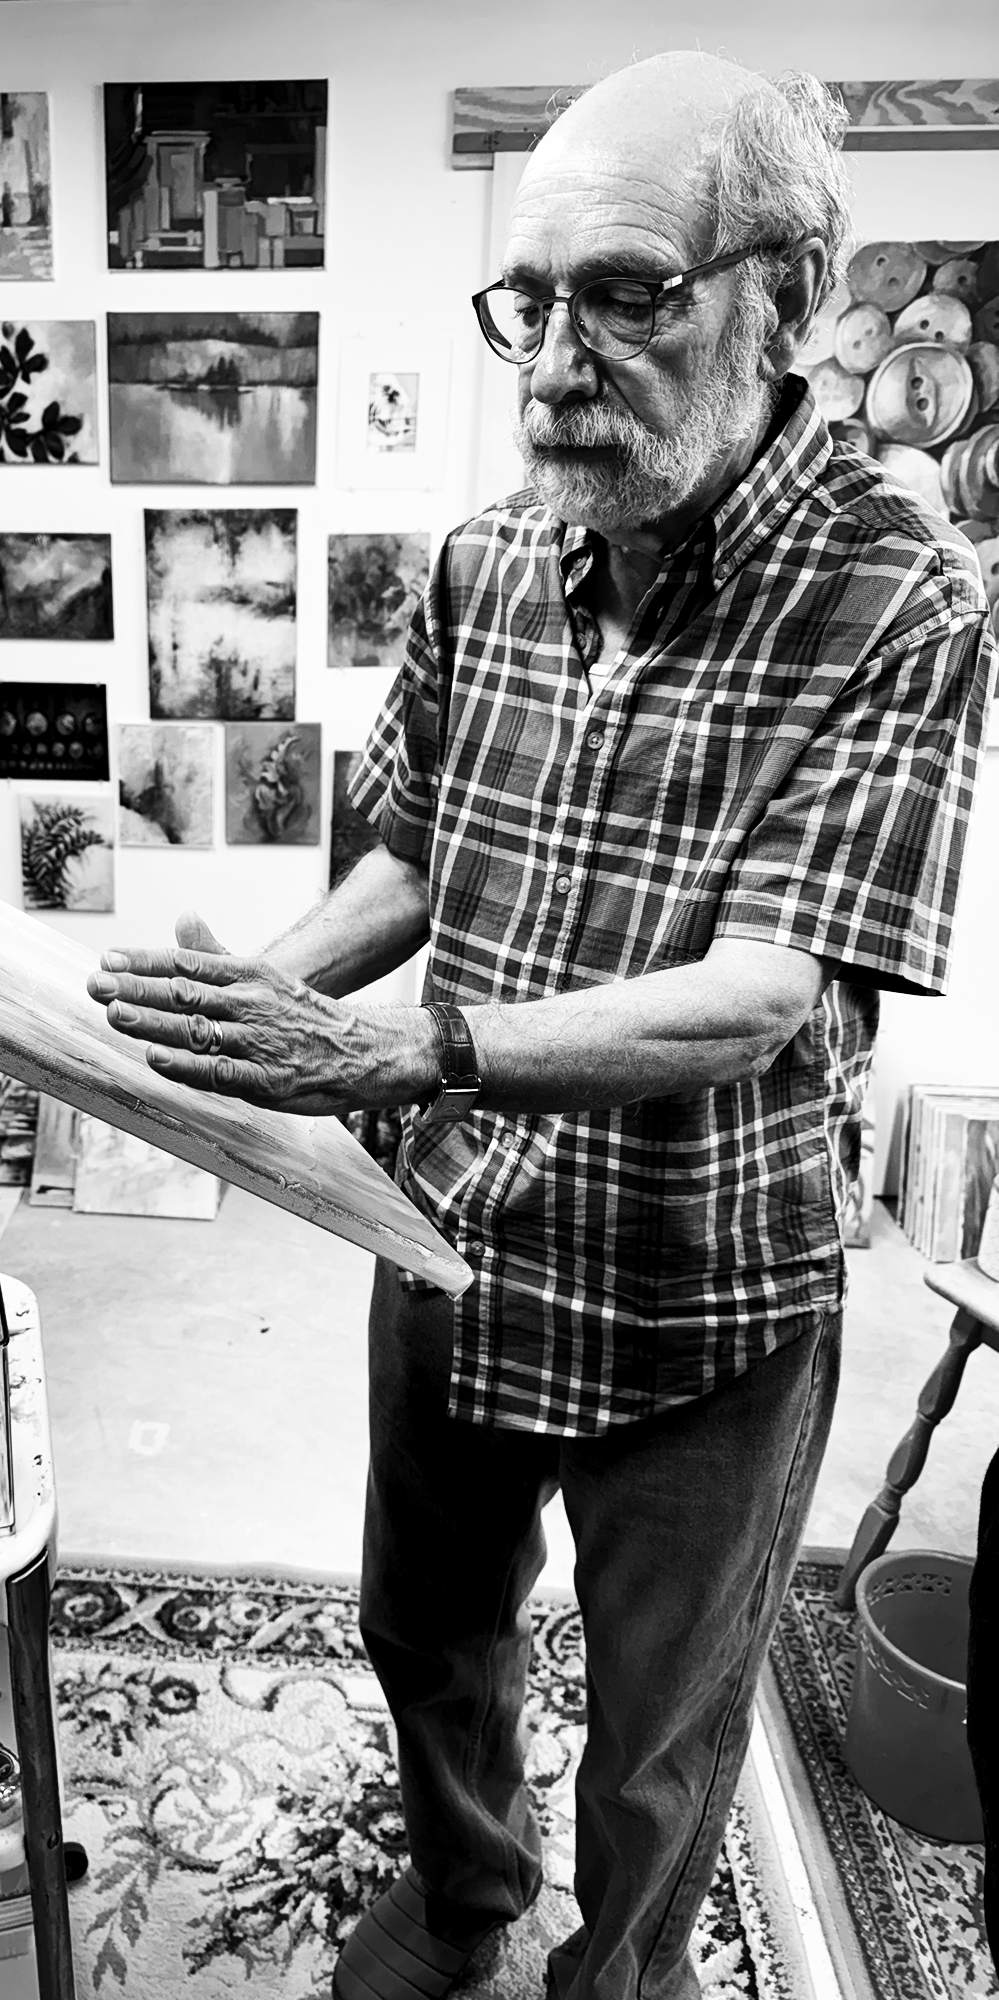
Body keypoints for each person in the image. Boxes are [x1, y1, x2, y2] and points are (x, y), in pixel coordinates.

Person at [86, 50, 995, 2000]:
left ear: (788, 296)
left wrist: (407, 1051)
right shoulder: (487, 556)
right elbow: (415, 849)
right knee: (427, 1629)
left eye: (629, 294)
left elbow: (765, 991)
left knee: (663, 1727)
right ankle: (464, 1895)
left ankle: (627, 1975)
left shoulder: (901, 594)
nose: (560, 364)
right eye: (533, 301)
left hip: (708, 1287)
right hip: (454, 1237)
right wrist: (264, 999)